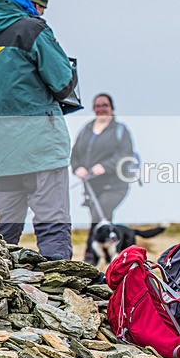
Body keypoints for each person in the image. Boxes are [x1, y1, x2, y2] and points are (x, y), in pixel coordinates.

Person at [0, 0, 74, 260]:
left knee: (3, 230)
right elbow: (63, 82)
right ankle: (58, 296)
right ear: (30, 3)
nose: (41, 14)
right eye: (41, 8)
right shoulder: (33, 29)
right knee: (52, 222)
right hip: (40, 145)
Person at [71, 93, 136, 266]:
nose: (101, 108)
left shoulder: (120, 130)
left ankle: (89, 259)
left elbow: (126, 155)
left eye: (104, 105)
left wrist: (104, 167)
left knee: (99, 217)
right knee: (101, 220)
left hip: (115, 185)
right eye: (98, 105)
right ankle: (114, 258)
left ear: (112, 108)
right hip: (91, 187)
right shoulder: (86, 129)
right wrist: (78, 168)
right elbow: (75, 154)